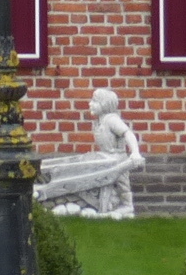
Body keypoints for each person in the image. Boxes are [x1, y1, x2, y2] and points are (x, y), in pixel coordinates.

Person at [37, 88, 143, 219]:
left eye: (94, 101)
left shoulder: (112, 120)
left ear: (105, 104)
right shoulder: (98, 121)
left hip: (117, 158)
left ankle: (127, 206)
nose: (90, 104)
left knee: (122, 183)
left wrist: (135, 152)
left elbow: (128, 133)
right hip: (105, 156)